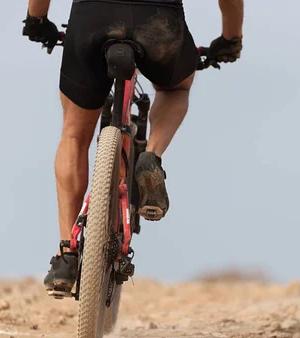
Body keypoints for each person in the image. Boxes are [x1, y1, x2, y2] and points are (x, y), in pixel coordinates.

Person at [22, 0, 244, 293]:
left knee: (74, 135)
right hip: (158, 20)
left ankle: (67, 252)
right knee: (176, 88)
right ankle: (151, 155)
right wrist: (230, 39)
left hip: (92, 18)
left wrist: (37, 20)